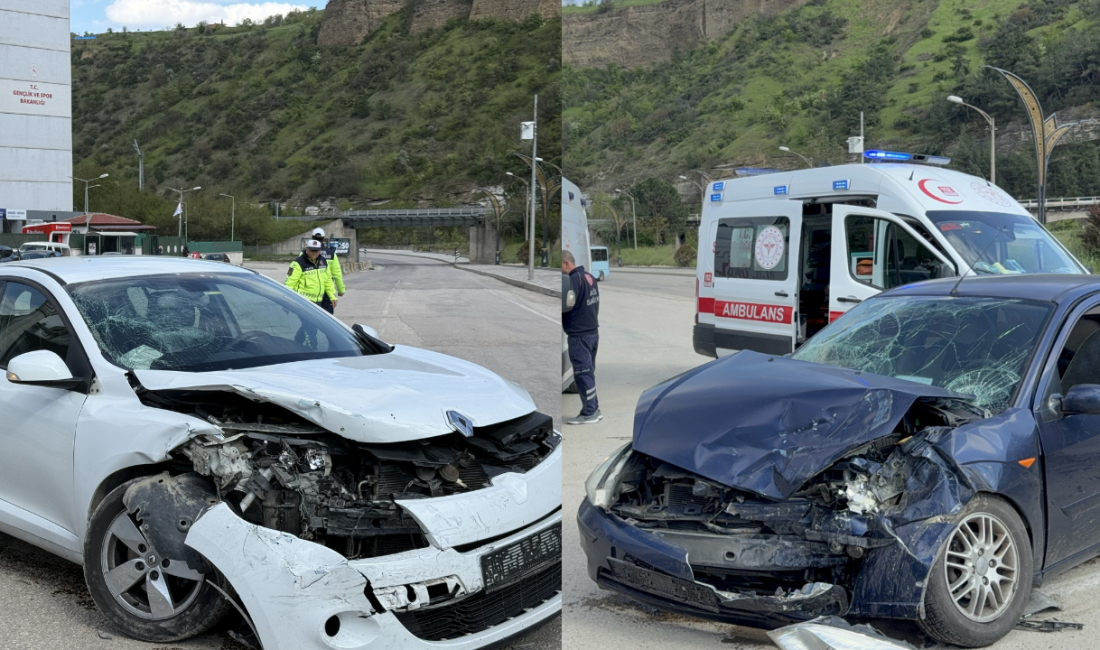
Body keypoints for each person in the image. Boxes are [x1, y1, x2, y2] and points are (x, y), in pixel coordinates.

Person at [562, 250, 601, 424]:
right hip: (592, 331)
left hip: (579, 335)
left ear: (565, 264)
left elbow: (568, 304)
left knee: (583, 374)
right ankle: (595, 408)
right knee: (588, 372)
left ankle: (589, 413)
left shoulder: (574, 280)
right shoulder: (589, 277)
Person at [286, 239, 337, 315]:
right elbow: (290, 283)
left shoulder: (323, 262)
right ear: (307, 250)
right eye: (312, 250)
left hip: (319, 302)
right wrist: (287, 300)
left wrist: (332, 296)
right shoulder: (298, 263)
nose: (314, 253)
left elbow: (328, 280)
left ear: (320, 251)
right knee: (308, 325)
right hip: (303, 302)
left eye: (316, 251)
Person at [312, 227, 345, 313]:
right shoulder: (331, 254)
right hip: (327, 292)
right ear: (324, 239)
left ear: (312, 238)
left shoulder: (306, 253)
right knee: (326, 320)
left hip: (310, 291)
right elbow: (337, 274)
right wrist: (340, 290)